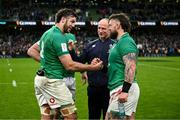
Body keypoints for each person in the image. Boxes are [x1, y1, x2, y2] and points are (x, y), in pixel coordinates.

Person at [28, 8, 103, 120]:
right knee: (71, 116)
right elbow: (70, 65)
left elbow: (34, 51)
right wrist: (92, 67)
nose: (73, 25)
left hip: (41, 78)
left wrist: (47, 62)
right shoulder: (59, 36)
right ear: (63, 19)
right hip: (53, 80)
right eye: (72, 21)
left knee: (48, 114)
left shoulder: (47, 33)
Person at [69, 18, 115, 120]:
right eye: (99, 28)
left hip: (109, 89)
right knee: (93, 117)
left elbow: (117, 68)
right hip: (93, 89)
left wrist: (102, 66)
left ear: (109, 29)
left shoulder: (115, 46)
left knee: (109, 117)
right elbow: (79, 62)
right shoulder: (90, 45)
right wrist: (72, 51)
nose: (100, 31)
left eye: (103, 28)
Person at [105, 13, 140, 120]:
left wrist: (125, 91)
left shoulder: (126, 41)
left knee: (112, 118)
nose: (108, 28)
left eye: (110, 25)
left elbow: (131, 66)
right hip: (119, 89)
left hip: (123, 89)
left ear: (118, 25)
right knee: (125, 118)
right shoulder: (118, 43)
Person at [27, 33, 77, 101]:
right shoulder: (51, 36)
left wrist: (82, 71)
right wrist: (48, 62)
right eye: (71, 21)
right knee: (60, 108)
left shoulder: (71, 36)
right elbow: (31, 51)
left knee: (69, 107)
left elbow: (73, 56)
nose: (73, 25)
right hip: (57, 77)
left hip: (70, 76)